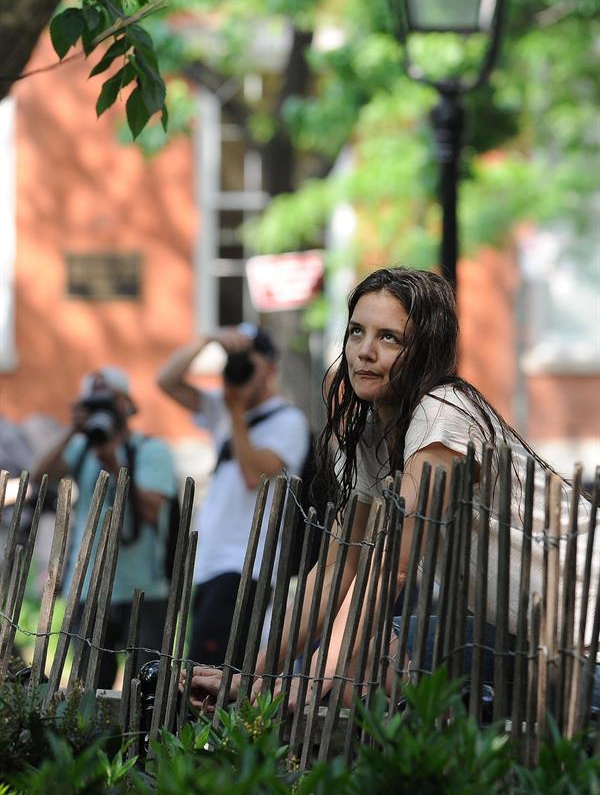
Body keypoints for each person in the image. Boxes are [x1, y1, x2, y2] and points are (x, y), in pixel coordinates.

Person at [183, 266, 596, 710]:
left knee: (361, 668)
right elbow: (336, 567)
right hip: (517, 630)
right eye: (356, 331)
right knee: (367, 662)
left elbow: (391, 568)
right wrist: (251, 676)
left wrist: (310, 679)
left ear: (424, 351)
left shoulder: (444, 414)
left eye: (389, 338)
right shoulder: (369, 434)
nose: (364, 351)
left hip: (582, 634)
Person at [157, 323, 310, 669]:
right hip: (211, 563)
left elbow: (253, 473)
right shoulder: (224, 409)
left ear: (271, 366)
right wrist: (208, 339)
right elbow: (166, 380)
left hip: (247, 565)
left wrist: (237, 411)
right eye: (233, 360)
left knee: (211, 674)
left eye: (248, 360)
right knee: (203, 670)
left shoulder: (289, 421)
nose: (238, 368)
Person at [32, 366, 177, 689]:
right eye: (93, 403)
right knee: (87, 689)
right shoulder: (82, 451)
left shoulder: (151, 450)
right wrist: (72, 429)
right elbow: (39, 476)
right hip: (88, 589)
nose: (103, 412)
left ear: (127, 404)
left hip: (143, 589)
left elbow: (151, 512)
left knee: (146, 690)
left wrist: (114, 463)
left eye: (108, 403)